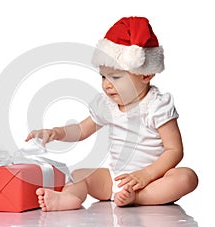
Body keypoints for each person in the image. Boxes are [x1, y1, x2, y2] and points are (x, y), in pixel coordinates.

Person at [25, 16, 198, 211]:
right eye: (103, 76)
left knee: (186, 177)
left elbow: (174, 150)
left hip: (153, 181)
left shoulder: (156, 106)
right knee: (79, 174)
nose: (107, 84)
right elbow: (82, 130)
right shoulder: (107, 105)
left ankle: (139, 198)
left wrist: (146, 175)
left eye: (115, 77)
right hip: (116, 178)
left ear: (145, 75)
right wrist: (56, 132)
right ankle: (68, 198)